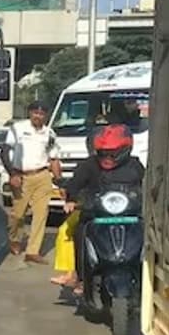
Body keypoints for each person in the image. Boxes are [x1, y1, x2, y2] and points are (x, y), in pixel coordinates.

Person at [58, 123, 143, 296]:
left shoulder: (135, 165)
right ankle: (80, 276)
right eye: (103, 153)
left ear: (126, 150)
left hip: (129, 215)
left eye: (112, 153)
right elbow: (75, 185)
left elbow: (148, 185)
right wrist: (72, 200)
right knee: (77, 231)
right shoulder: (89, 164)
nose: (107, 157)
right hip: (95, 214)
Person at [0, 101, 62, 263]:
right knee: (18, 215)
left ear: (46, 116)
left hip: (42, 176)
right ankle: (15, 239)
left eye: (41, 114)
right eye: (35, 113)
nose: (38, 116)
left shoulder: (49, 133)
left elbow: (54, 158)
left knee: (41, 214)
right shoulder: (18, 129)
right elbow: (4, 152)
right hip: (21, 176)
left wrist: (60, 182)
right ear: (30, 113)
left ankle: (33, 251)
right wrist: (12, 173)